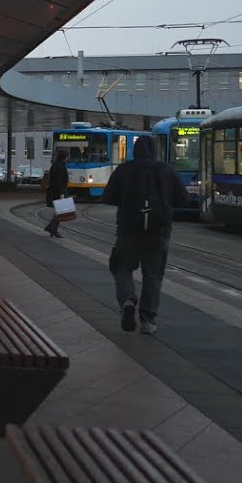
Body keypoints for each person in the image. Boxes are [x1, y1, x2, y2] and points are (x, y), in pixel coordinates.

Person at [101, 136, 190, 335]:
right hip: (158, 232)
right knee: (153, 275)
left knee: (121, 267)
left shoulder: (124, 170)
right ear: (155, 151)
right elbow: (184, 199)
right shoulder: (166, 170)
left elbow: (108, 197)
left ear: (135, 150)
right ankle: (147, 320)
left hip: (128, 230)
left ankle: (127, 299)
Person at [42, 148, 70, 238]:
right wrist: (61, 194)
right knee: (61, 211)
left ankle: (50, 227)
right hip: (59, 192)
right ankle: (53, 229)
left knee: (59, 211)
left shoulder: (56, 164)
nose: (68, 157)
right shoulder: (60, 166)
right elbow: (59, 181)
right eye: (67, 156)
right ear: (64, 157)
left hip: (55, 191)